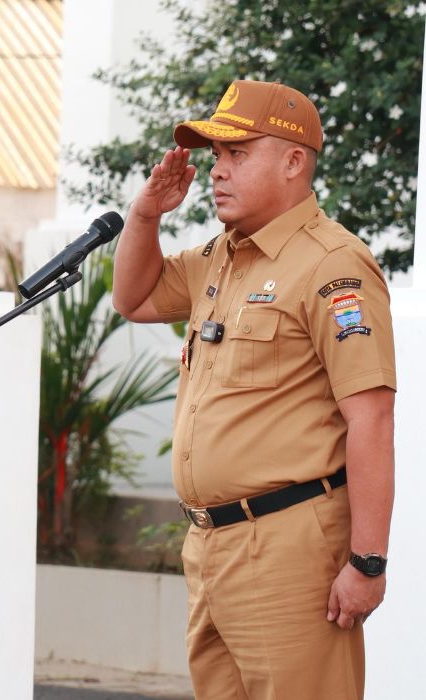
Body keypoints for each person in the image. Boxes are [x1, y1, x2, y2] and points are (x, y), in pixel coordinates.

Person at [110, 79, 396, 699]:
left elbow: (371, 419)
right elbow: (133, 298)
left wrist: (367, 563)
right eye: (217, 155)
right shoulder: (223, 256)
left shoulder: (332, 264)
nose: (218, 170)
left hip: (289, 549)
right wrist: (145, 215)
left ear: (293, 162)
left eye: (237, 154)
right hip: (211, 546)